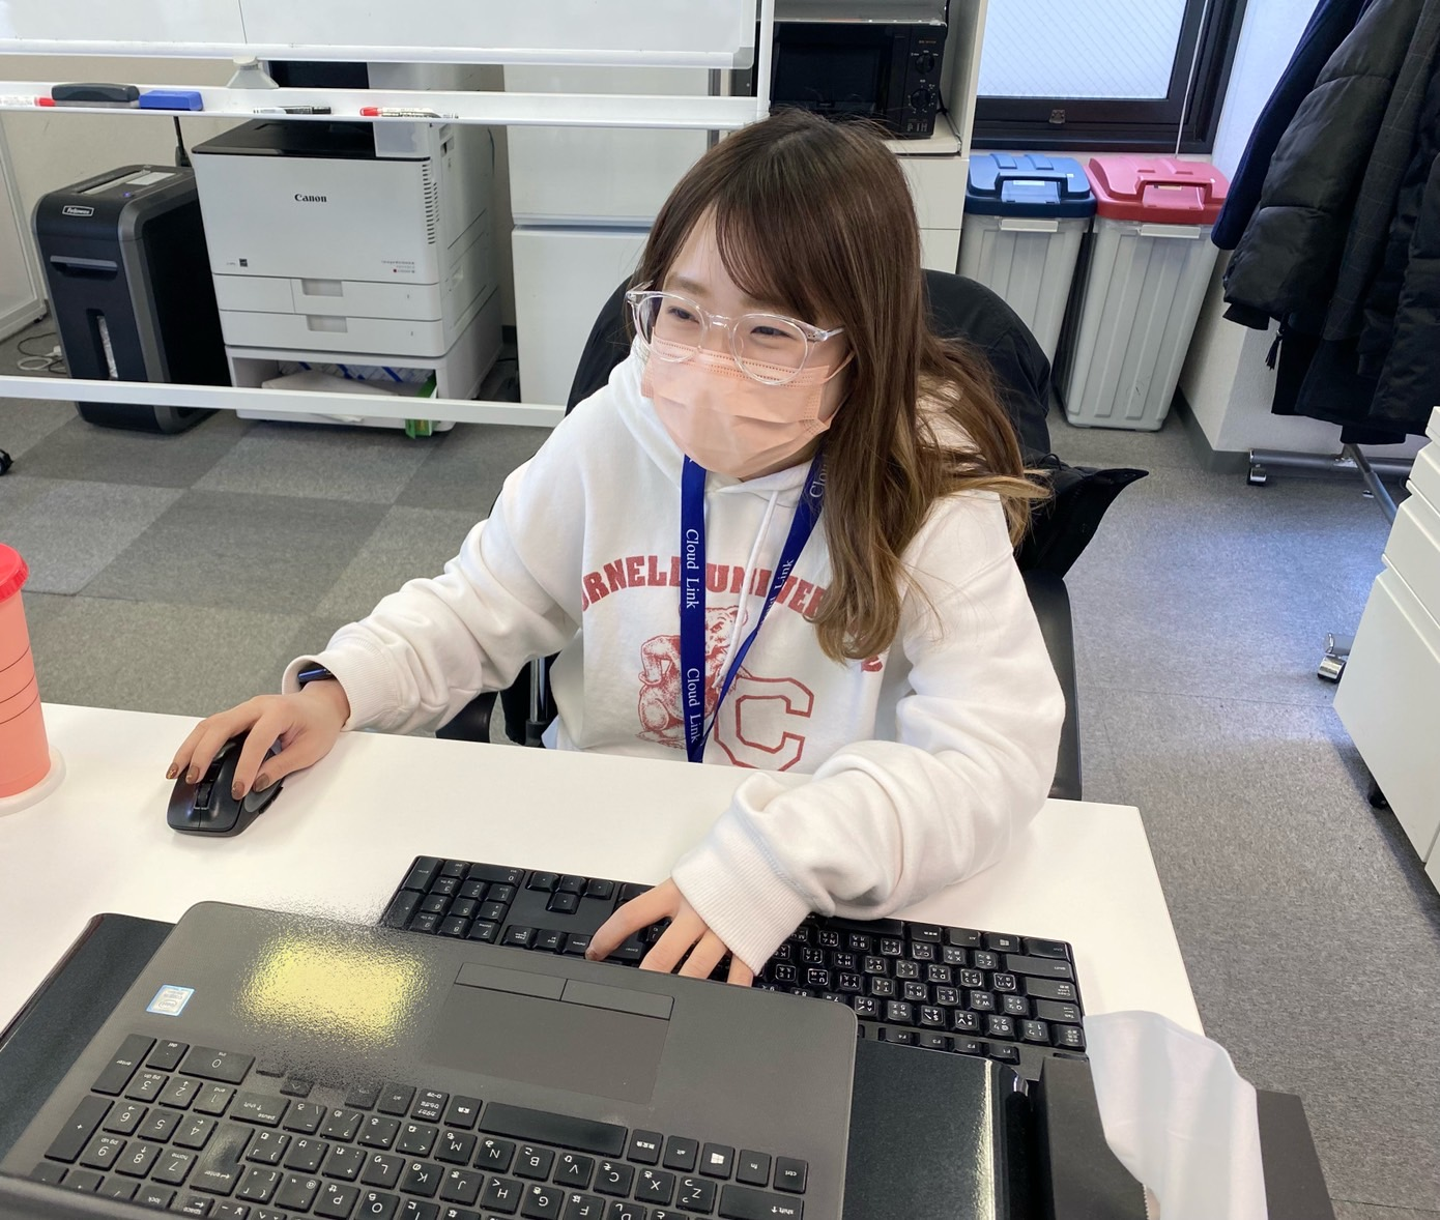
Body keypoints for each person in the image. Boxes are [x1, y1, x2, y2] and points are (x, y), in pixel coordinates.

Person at [168, 109, 1065, 985]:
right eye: (683, 313)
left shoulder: (929, 482)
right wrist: (338, 690)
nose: (709, 365)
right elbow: (481, 603)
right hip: (590, 839)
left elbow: (996, 752)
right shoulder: (614, 429)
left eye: (771, 332)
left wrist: (787, 860)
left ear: (865, 346)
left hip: (809, 878)